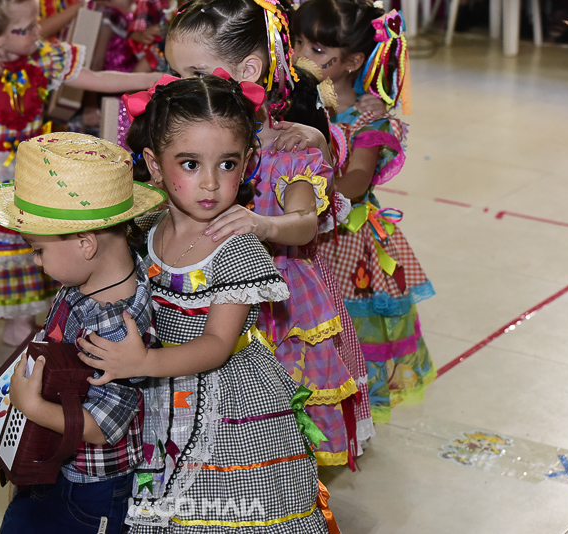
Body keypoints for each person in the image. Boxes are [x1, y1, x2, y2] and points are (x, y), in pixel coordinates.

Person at [78, 74, 339, 533]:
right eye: (190, 164)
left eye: (227, 164)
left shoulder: (237, 248)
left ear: (248, 162)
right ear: (154, 166)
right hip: (160, 390)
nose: (211, 184)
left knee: (215, 512)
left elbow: (218, 344)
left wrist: (142, 361)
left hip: (225, 406)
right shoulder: (150, 225)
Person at [159, 0, 364, 468]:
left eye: (194, 73)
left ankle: (275, 477)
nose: (181, 86)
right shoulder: (184, 133)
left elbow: (305, 222)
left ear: (248, 70)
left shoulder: (288, 148)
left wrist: (262, 224)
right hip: (205, 288)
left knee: (274, 404)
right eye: (175, 73)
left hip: (277, 299)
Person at [0, 0, 162, 353]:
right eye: (24, 30)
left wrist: (150, 79)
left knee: (28, 247)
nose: (36, 33)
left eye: (35, 25)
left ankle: (20, 318)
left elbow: (97, 78)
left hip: (27, 176)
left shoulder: (45, 58)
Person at [0, 132, 165, 534]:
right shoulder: (89, 278)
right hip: (57, 460)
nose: (36, 261)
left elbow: (104, 426)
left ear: (85, 244)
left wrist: (32, 407)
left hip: (86, 489)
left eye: (38, 250)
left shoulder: (115, 326)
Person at [294, 0, 436, 423]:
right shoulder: (294, 99)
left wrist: (314, 189)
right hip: (297, 231)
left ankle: (347, 413)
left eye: (318, 50)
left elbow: (357, 180)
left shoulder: (366, 120)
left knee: (345, 323)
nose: (301, 55)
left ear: (353, 61)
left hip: (345, 240)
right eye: (298, 42)